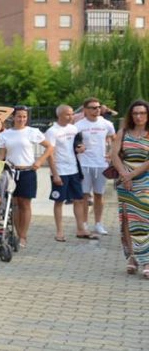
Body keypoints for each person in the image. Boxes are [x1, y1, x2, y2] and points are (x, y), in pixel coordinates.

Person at [0, 106, 53, 248]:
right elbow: (1, 155)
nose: (21, 119)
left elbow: (50, 147)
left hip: (27, 172)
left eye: (24, 117)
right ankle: (16, 233)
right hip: (11, 172)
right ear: (13, 117)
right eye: (19, 116)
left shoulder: (32, 132)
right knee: (13, 204)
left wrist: (40, 161)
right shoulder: (5, 134)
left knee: (25, 204)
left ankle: (23, 236)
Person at [111, 99, 149, 278]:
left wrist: (130, 175)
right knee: (127, 219)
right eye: (135, 113)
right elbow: (115, 155)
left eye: (142, 113)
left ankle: (147, 259)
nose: (139, 116)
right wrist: (123, 173)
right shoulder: (123, 132)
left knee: (143, 220)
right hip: (125, 182)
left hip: (144, 182)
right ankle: (132, 257)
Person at [45, 105, 88, 241]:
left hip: (74, 169)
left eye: (71, 114)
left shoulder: (74, 129)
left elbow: (77, 145)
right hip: (60, 171)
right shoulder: (52, 131)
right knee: (59, 201)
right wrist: (55, 174)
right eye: (67, 114)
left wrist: (81, 148)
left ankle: (80, 229)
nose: (71, 117)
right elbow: (49, 154)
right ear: (60, 115)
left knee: (79, 200)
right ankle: (59, 231)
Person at [75, 97, 116, 235]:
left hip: (101, 164)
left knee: (99, 194)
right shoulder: (79, 125)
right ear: (85, 109)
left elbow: (116, 140)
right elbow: (72, 143)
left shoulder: (107, 124)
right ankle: (84, 223)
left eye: (98, 107)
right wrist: (77, 147)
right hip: (84, 163)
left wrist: (111, 152)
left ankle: (98, 223)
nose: (97, 110)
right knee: (85, 196)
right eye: (93, 107)